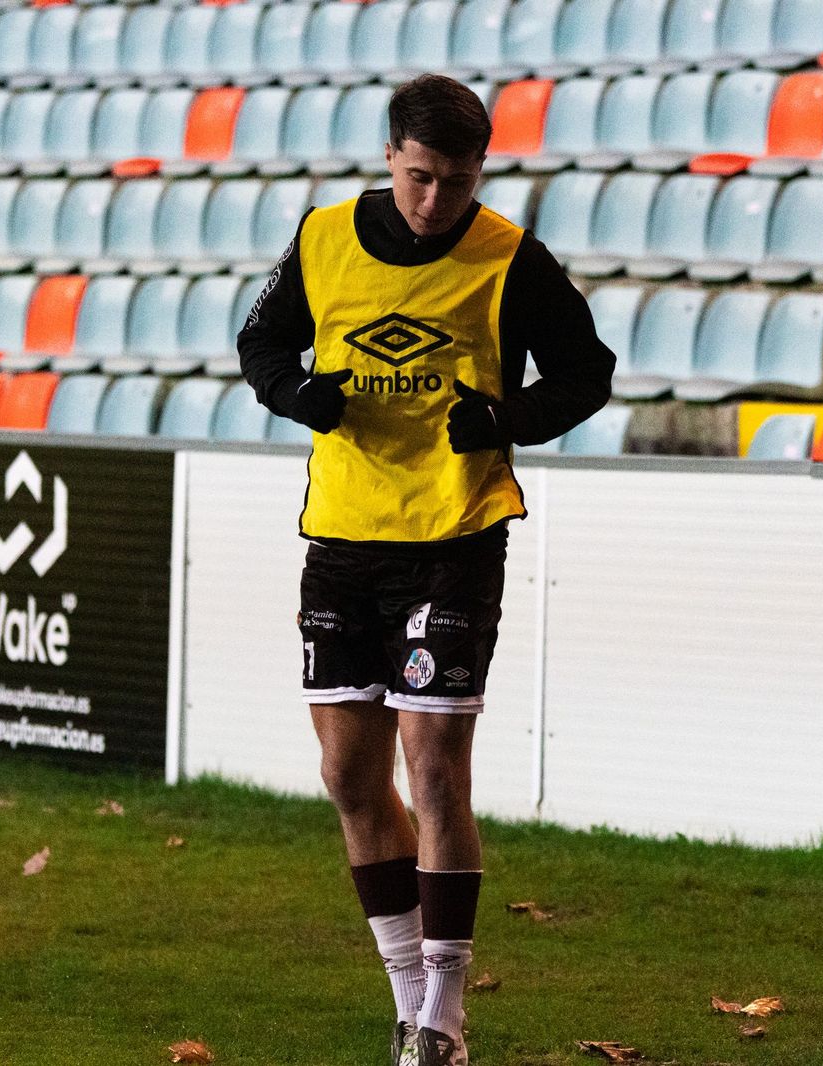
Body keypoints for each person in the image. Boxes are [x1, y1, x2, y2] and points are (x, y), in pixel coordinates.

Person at [237, 74, 615, 1066]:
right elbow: (260, 341)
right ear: (390, 157)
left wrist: (505, 419)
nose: (435, 199)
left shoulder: (508, 257)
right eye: (418, 177)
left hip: (454, 537)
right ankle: (407, 992)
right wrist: (296, 395)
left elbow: (589, 372)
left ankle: (443, 1015)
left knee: (434, 768)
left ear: (479, 171)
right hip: (343, 538)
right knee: (347, 777)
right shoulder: (324, 238)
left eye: (456, 181)